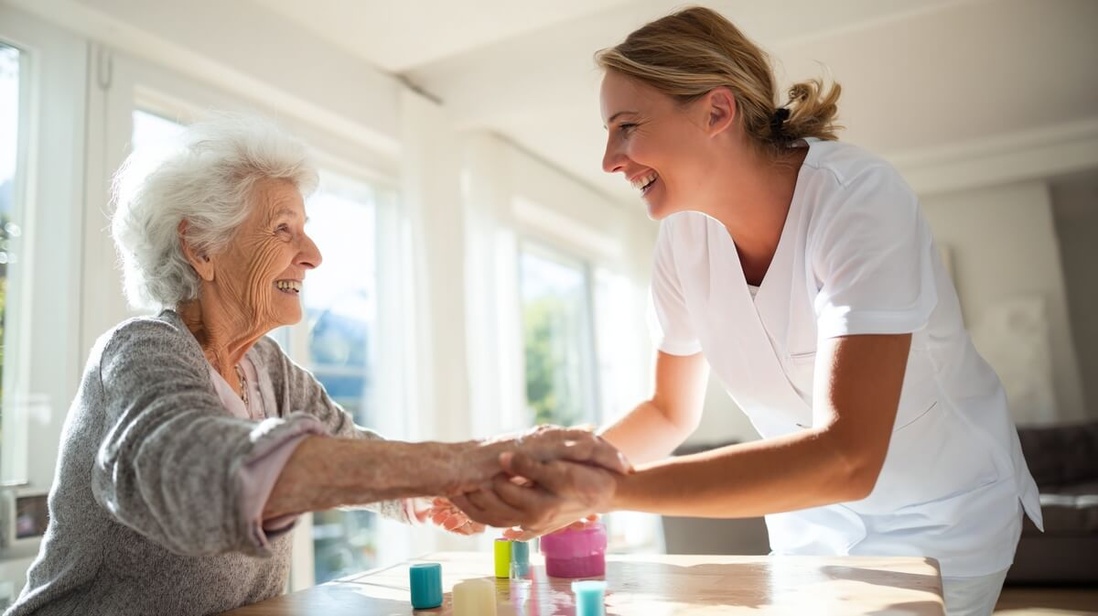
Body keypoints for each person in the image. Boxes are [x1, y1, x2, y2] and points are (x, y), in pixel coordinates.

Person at [450, 7, 1042, 616]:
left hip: (940, 518)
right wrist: (550, 476)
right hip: (808, 526)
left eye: (626, 126)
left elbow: (848, 457)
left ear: (716, 111)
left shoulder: (857, 201)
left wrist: (598, 491)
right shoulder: (681, 243)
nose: (609, 159)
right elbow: (667, 411)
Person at [6, 114, 629, 616]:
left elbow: (346, 451)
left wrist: (433, 494)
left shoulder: (268, 369)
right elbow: (196, 465)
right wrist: (477, 459)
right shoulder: (141, 350)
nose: (313, 254)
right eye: (283, 229)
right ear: (200, 247)